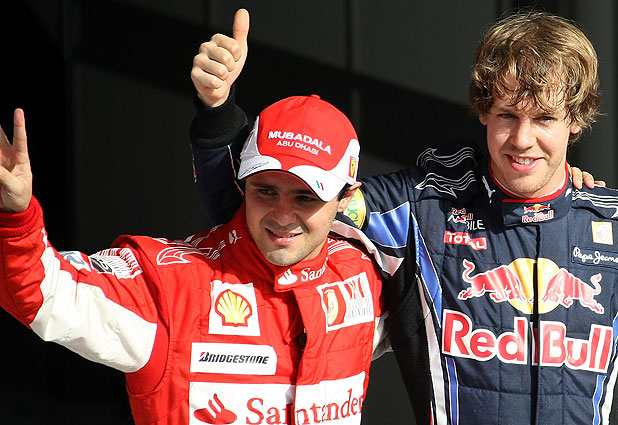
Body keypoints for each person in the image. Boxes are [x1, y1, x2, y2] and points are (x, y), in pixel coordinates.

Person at [189, 9, 618, 425]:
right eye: (507, 114)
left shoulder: (610, 224)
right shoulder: (417, 207)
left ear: (576, 120)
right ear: (485, 109)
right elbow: (265, 219)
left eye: (544, 119)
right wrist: (218, 110)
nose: (522, 139)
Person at [0, 96, 385, 424]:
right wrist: (15, 217)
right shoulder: (168, 285)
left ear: (346, 198)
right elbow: (45, 291)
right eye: (265, 190)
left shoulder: (363, 276)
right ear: (243, 182)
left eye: (305, 197)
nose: (282, 215)